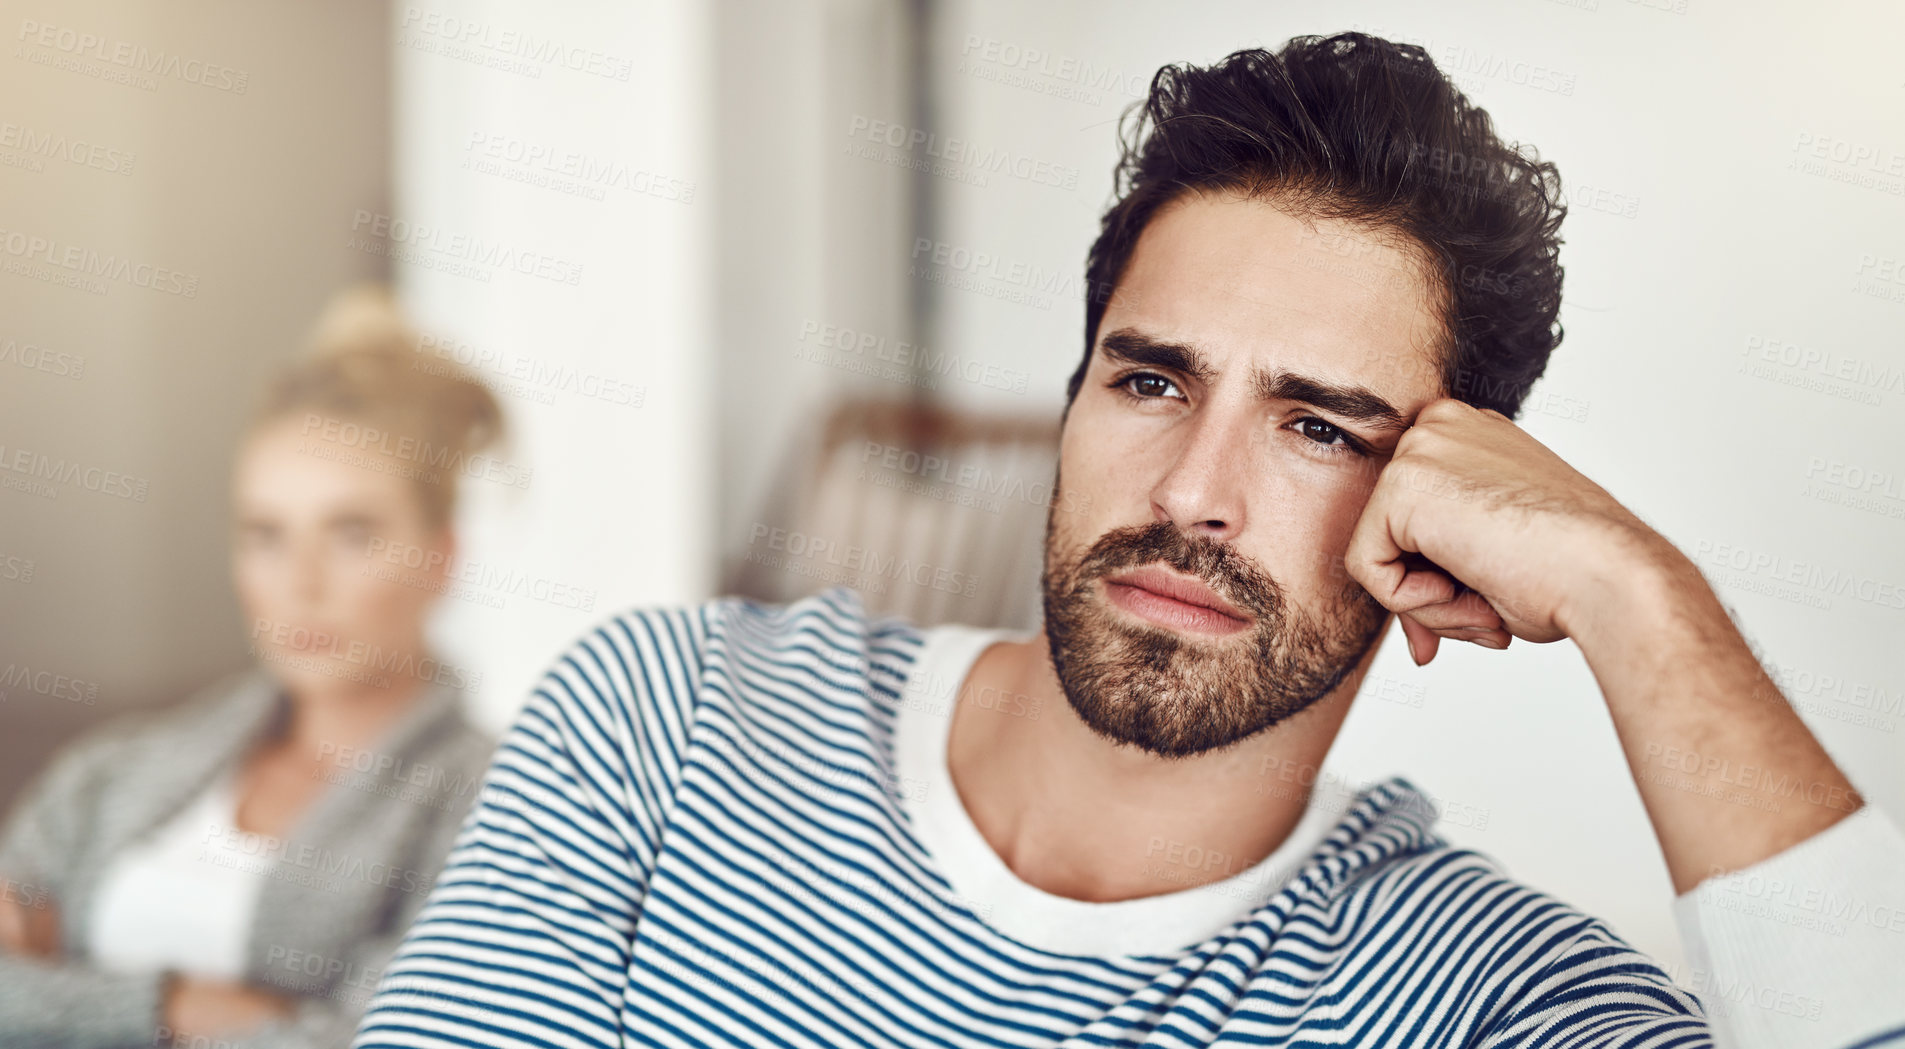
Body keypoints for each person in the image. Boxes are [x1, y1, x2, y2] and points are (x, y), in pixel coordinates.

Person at [350, 33, 1905, 1049]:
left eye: (1319, 426)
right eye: (1151, 380)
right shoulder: (667, 721)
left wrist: (1648, 604)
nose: (1190, 491)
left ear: (1445, 505)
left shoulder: (1497, 1005)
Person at [0, 286, 501, 1048]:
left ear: (440, 557)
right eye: (266, 534)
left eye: (353, 533)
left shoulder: (489, 808)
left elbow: (367, 1041)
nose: (301, 582)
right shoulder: (115, 770)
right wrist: (177, 1009)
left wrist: (59, 989)